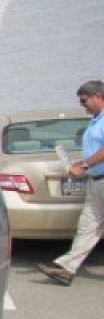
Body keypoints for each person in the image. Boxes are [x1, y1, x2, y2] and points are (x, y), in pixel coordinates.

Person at [37, 79, 104, 285]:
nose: (82, 105)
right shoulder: (96, 120)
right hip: (96, 181)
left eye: (84, 101)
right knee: (88, 226)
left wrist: (83, 165)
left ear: (98, 96)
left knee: (90, 225)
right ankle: (67, 268)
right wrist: (82, 163)